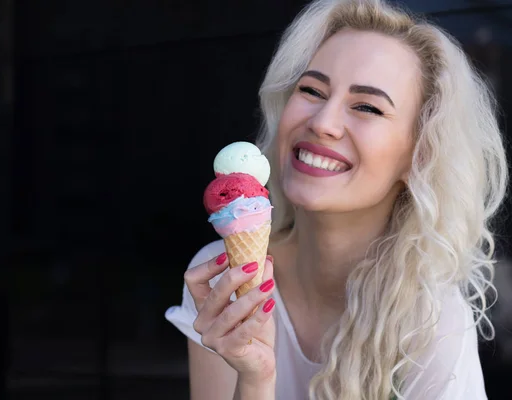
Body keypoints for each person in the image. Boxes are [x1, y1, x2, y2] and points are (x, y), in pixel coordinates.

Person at [165, 0, 509, 398]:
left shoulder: (431, 318)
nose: (322, 123)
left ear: (420, 155)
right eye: (311, 90)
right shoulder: (222, 278)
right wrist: (255, 378)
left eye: (367, 106)